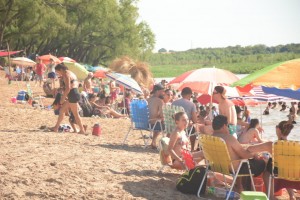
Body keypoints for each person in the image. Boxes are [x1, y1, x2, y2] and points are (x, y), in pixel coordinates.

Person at [212, 115, 271, 193]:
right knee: (263, 163)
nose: (228, 127)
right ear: (224, 126)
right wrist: (254, 154)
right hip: (234, 168)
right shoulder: (228, 138)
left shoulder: (211, 137)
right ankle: (260, 192)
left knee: (240, 160)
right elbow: (245, 155)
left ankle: (240, 187)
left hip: (218, 166)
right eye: (228, 125)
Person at [50, 63, 86, 135]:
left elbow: (68, 88)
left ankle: (82, 130)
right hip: (75, 93)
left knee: (75, 114)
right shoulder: (71, 73)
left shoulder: (66, 74)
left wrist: (63, 98)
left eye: (57, 72)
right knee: (62, 110)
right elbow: (77, 84)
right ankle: (56, 127)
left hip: (72, 94)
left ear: (61, 69)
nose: (58, 73)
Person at [147, 84, 165, 148]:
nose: (163, 93)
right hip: (153, 124)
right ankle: (166, 144)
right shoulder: (159, 101)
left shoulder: (148, 99)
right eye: (162, 91)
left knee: (158, 121)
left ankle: (153, 141)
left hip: (147, 123)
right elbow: (163, 115)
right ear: (157, 91)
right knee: (165, 124)